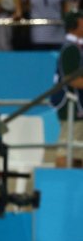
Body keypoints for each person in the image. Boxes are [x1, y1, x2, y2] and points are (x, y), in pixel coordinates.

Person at [52, 10, 83, 167]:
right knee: (65, 153)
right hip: (72, 107)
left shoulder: (77, 47)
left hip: (78, 107)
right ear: (75, 26)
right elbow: (72, 80)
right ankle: (61, 180)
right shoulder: (71, 49)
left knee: (78, 155)